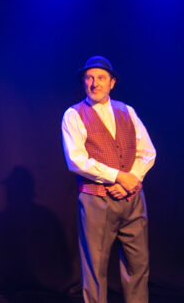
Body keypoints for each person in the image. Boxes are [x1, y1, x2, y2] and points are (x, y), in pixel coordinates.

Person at [61, 56, 156, 303]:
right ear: (83, 82)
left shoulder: (128, 111)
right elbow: (76, 160)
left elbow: (147, 152)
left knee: (138, 266)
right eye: (89, 78)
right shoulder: (74, 114)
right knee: (95, 269)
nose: (95, 84)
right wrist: (118, 176)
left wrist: (131, 181)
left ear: (112, 82)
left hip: (133, 199)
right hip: (96, 202)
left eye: (101, 78)